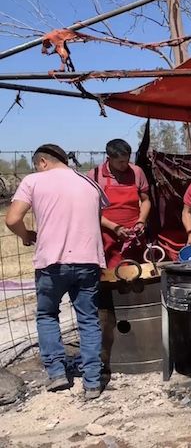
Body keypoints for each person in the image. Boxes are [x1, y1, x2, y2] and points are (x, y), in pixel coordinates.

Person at [5, 144, 107, 400]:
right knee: (88, 318)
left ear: (42, 162)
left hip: (52, 262)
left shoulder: (34, 181)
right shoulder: (90, 183)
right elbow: (96, 218)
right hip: (88, 260)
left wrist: (27, 235)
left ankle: (57, 374)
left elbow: (12, 218)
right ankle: (93, 381)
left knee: (48, 315)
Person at [88, 139, 151, 379]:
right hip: (108, 237)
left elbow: (145, 200)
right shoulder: (95, 175)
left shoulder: (137, 172)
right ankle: (111, 341)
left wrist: (141, 221)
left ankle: (142, 328)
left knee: (136, 280)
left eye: (127, 160)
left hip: (134, 236)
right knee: (110, 287)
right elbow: (93, 210)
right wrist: (114, 228)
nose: (125, 165)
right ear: (109, 158)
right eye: (120, 161)